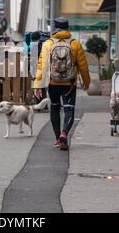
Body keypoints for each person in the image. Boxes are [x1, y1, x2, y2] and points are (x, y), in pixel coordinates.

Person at [33, 18, 91, 151]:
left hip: (52, 83)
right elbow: (83, 66)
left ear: (55, 28)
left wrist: (37, 85)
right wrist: (87, 83)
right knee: (69, 109)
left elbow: (42, 66)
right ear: (67, 28)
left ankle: (58, 138)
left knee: (54, 108)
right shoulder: (75, 44)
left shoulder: (48, 44)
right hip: (69, 84)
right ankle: (64, 133)